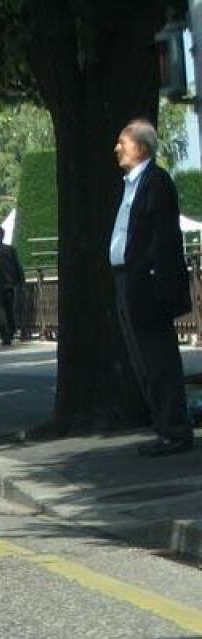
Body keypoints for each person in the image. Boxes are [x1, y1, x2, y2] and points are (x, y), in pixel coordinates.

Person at [109, 118, 195, 457]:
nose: (117, 148)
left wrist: (160, 285)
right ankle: (164, 426)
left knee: (158, 358)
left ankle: (175, 430)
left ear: (141, 147)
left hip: (145, 284)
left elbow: (163, 239)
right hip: (126, 280)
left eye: (123, 142)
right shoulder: (132, 183)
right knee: (142, 359)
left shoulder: (155, 182)